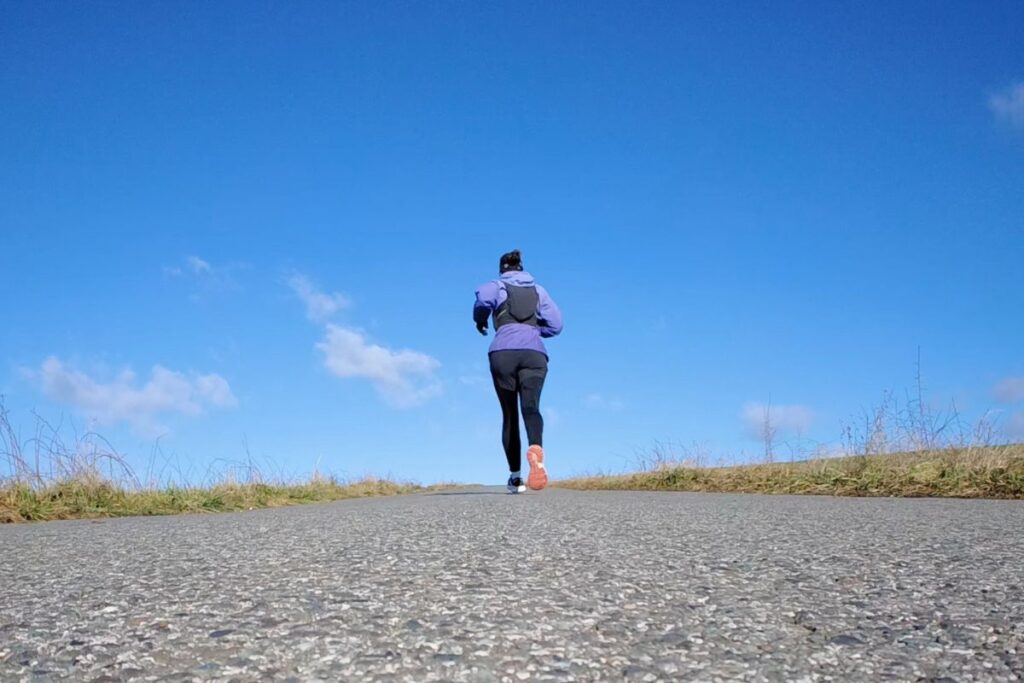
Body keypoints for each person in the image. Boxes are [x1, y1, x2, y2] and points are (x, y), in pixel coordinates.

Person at [473, 250, 563, 493]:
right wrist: (532, 331)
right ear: (521, 268)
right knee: (531, 408)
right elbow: (556, 325)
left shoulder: (497, 286)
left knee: (509, 415)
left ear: (502, 269)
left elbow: (482, 300)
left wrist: (480, 320)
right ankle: (536, 450)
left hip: (503, 353)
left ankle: (515, 477)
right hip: (534, 354)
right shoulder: (538, 290)